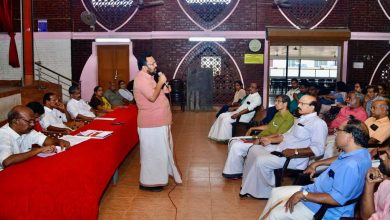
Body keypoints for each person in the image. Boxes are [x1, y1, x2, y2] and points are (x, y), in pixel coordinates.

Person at [259, 119, 371, 219]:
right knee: (275, 192)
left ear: (350, 136)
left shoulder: (351, 165)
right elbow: (339, 158)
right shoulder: (361, 153)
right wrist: (317, 163)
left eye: (339, 130)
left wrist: (303, 195)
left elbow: (336, 199)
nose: (335, 133)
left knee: (275, 214)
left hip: (324, 209)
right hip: (316, 191)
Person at [239, 95, 327, 199]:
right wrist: (269, 140)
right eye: (299, 102)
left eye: (302, 104)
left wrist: (295, 152)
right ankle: (249, 186)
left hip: (294, 158)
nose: (298, 105)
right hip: (281, 149)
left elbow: (319, 149)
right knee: (253, 149)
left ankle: (266, 191)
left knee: (261, 160)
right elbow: (285, 136)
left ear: (312, 107)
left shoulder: (318, 123)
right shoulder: (300, 119)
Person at [134, 53, 182, 191]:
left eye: (155, 62)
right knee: (152, 154)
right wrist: (160, 82)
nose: (155, 65)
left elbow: (156, 92)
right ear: (144, 66)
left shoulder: (149, 77)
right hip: (151, 124)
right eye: (152, 63)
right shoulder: (141, 79)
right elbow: (151, 97)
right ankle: (149, 183)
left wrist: (163, 87)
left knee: (160, 153)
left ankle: (159, 178)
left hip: (159, 122)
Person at [222, 94, 294, 179]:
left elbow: (279, 134)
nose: (275, 103)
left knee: (236, 145)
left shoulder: (289, 118)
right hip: (260, 137)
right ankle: (238, 169)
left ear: (285, 104)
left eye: (278, 101)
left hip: (267, 142)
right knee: (233, 140)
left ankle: (234, 173)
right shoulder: (278, 114)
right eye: (275, 101)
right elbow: (269, 126)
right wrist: (252, 128)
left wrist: (260, 139)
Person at [0, 106, 71, 171]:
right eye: (29, 121)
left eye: (33, 121)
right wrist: (38, 150)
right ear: (15, 121)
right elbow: (7, 162)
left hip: (21, 168)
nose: (32, 124)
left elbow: (46, 140)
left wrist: (58, 141)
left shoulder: (28, 131)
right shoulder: (3, 134)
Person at [360, 144, 390, 219]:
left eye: (388, 156)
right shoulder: (386, 184)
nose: (381, 157)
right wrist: (369, 185)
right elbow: (367, 217)